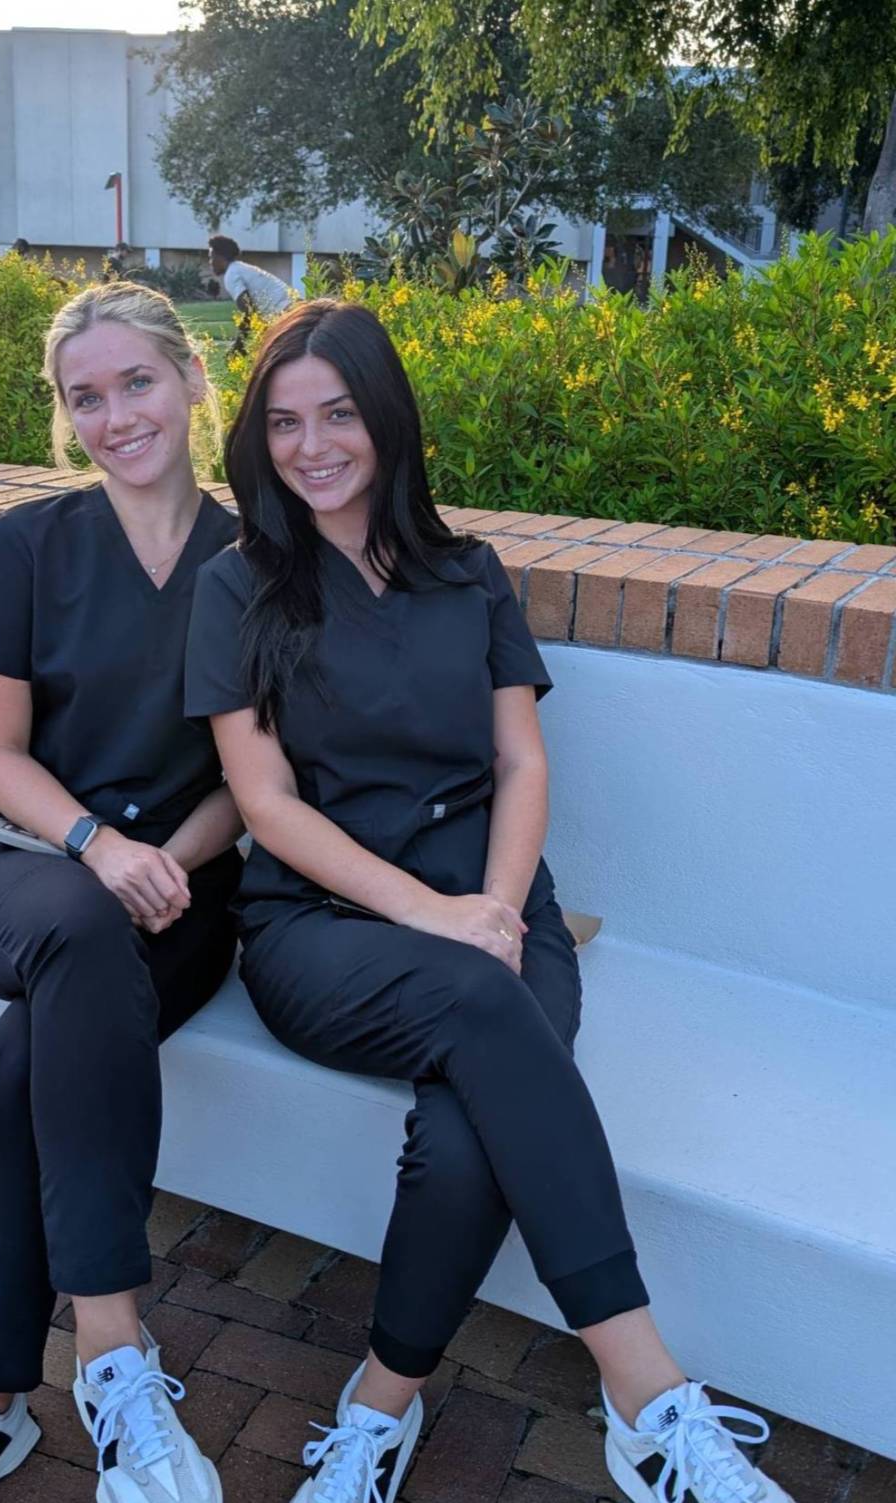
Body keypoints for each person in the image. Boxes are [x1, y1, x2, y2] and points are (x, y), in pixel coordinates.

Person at [184, 298, 795, 1503]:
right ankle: (650, 1397)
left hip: (494, 909)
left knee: (465, 1139)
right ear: (259, 437)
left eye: (340, 415)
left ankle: (377, 1410)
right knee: (479, 1011)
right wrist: (436, 917)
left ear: (387, 420)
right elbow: (265, 805)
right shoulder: (238, 585)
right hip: (324, 926)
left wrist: (500, 909)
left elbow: (522, 764)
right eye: (287, 421)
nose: (313, 446)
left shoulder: (468, 574)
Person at [0, 282, 243, 1503]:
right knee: (79, 936)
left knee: (32, 1062)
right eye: (86, 396)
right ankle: (114, 1358)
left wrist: (166, 862)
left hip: (182, 891)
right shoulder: (31, 543)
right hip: (22, 866)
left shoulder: (259, 560)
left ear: (192, 379)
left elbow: (262, 778)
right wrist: (97, 846)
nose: (115, 414)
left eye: (137, 381)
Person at [208, 234, 297, 321]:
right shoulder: (239, 268)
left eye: (211, 257)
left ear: (220, 257)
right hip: (296, 308)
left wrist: (241, 333)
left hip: (288, 314)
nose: (210, 262)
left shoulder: (231, 274)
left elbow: (249, 311)